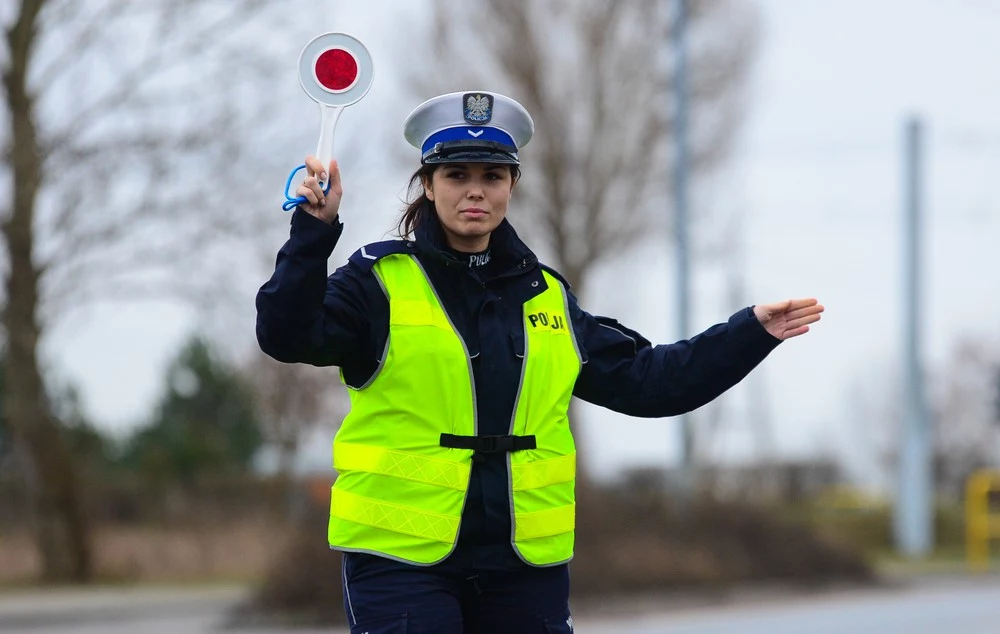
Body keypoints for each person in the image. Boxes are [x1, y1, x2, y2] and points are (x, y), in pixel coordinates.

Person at [256, 90, 823, 634]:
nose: (474, 192)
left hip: (522, 567)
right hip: (399, 562)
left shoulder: (546, 295)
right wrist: (314, 231)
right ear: (428, 185)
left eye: (492, 177)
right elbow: (286, 335)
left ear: (512, 186)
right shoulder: (375, 283)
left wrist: (749, 333)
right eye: (456, 176)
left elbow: (653, 384)